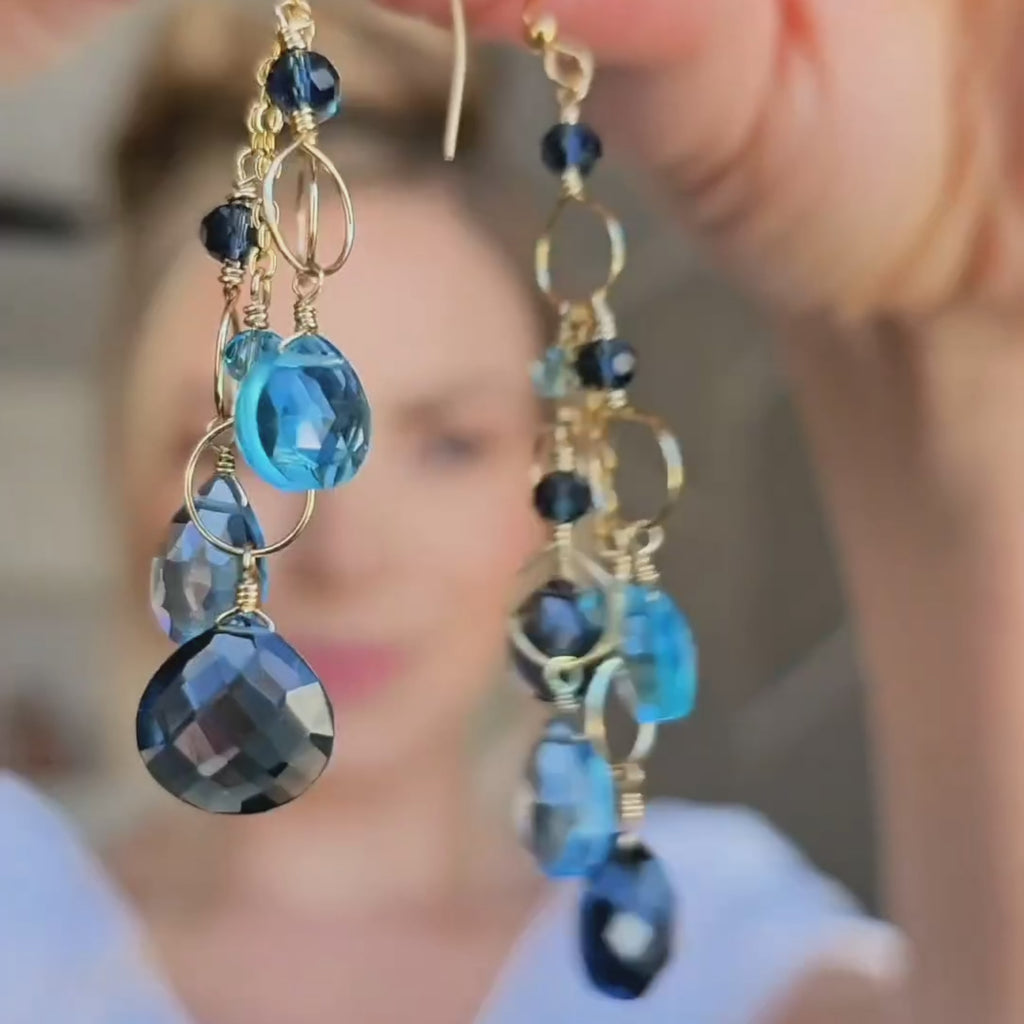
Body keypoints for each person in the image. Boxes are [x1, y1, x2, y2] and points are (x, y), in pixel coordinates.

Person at [2, 1, 1022, 1023]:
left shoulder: (715, 941)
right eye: (245, 443)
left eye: (451, 444)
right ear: (134, 475)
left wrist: (957, 344)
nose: (346, 552)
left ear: (548, 491)